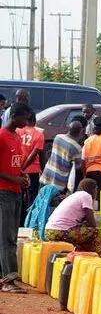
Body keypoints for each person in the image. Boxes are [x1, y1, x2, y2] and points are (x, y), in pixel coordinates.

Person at [0, 103, 31, 294]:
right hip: (4, 191)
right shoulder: (2, 136)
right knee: (7, 237)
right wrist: (15, 178)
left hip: (16, 191)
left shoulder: (17, 137)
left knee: (8, 235)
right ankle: (9, 279)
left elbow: (14, 164)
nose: (26, 122)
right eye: (24, 118)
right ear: (14, 116)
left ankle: (3, 275)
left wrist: (22, 176)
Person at [44, 178, 101, 258]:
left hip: (49, 231)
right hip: (60, 231)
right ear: (93, 189)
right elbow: (92, 223)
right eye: (96, 189)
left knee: (84, 232)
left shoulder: (75, 195)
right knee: (97, 232)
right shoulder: (86, 196)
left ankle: (82, 256)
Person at [40, 121, 83, 191]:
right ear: (80, 131)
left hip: (47, 175)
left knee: (41, 200)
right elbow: (77, 166)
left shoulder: (58, 137)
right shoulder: (77, 148)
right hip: (59, 181)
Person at [17, 113, 43, 224]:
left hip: (17, 168)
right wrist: (24, 168)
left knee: (18, 195)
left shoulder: (17, 131)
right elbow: (34, 154)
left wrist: (20, 168)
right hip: (32, 170)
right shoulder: (38, 134)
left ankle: (19, 219)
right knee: (31, 197)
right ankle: (28, 221)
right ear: (35, 121)